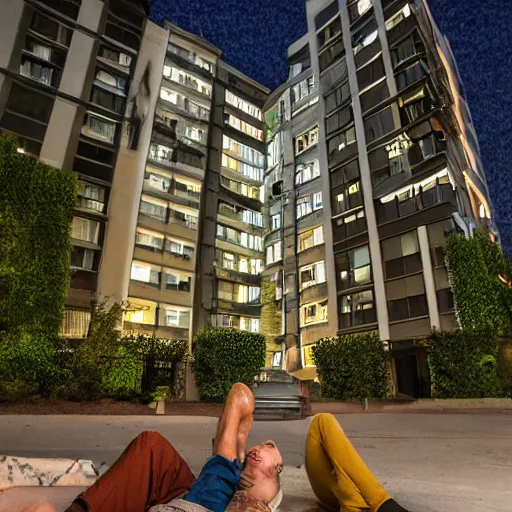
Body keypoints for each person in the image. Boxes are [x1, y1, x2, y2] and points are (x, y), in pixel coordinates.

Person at [27, 383, 283, 512]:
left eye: (268, 445)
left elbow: (240, 395)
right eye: (260, 445)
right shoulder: (255, 484)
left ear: (278, 469)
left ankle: (227, 461)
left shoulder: (261, 491)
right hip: (196, 499)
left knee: (237, 403)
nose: (258, 447)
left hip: (202, 506)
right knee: (152, 446)